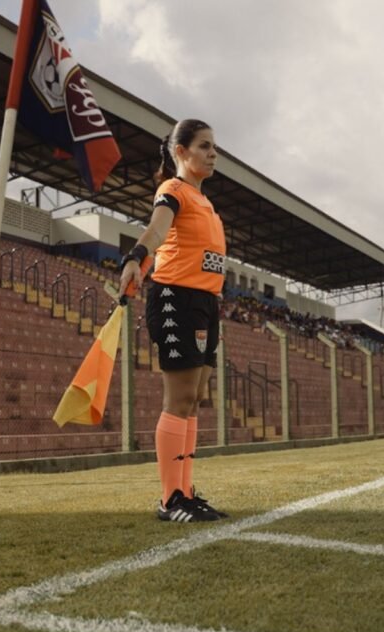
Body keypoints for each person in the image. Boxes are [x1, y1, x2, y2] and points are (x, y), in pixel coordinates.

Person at [119, 119, 227, 523]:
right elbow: (157, 230)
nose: (213, 153)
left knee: (195, 399)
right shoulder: (173, 191)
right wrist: (135, 257)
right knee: (179, 399)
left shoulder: (207, 204)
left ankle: (185, 492)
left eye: (214, 146)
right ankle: (170, 499)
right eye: (204, 146)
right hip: (174, 298)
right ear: (180, 151)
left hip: (204, 301)